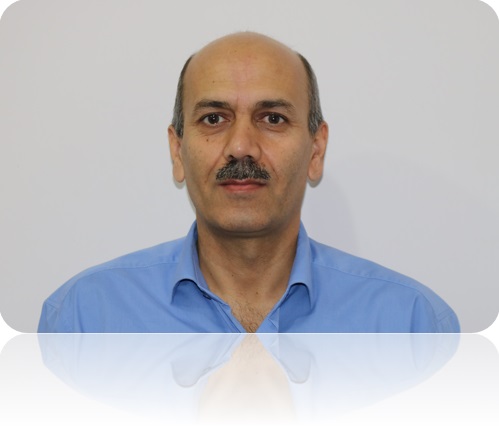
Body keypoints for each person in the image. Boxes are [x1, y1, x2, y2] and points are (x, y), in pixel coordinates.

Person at [38, 32, 459, 333]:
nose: (241, 147)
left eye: (272, 118)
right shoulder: (82, 319)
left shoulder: (413, 326)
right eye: (213, 119)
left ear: (315, 151)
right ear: (177, 151)